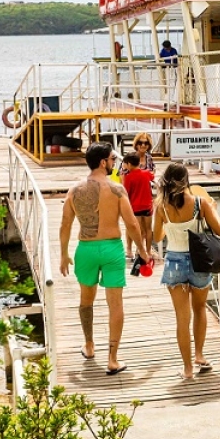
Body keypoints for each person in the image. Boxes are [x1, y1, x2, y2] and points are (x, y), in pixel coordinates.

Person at [60, 142, 152, 375]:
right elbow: (132, 223)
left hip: (86, 249)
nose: (114, 163)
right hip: (112, 249)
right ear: (103, 162)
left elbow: (65, 224)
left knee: (86, 300)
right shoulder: (117, 189)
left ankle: (89, 346)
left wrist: (63, 254)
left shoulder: (74, 190)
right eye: (112, 159)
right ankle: (112, 358)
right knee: (115, 304)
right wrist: (142, 250)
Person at [153, 162, 220, 381]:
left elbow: (157, 238)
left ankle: (187, 369)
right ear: (187, 181)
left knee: (181, 318)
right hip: (199, 261)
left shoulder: (161, 206)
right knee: (200, 310)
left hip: (174, 261)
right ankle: (199, 355)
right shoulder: (200, 203)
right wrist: (212, 209)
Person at [121, 152, 155, 264]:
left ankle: (139, 250)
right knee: (149, 229)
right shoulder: (146, 173)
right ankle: (149, 251)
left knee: (138, 230)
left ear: (129, 164)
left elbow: (126, 193)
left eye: (125, 164)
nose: (124, 166)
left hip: (135, 207)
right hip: (148, 206)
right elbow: (152, 176)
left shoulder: (129, 177)